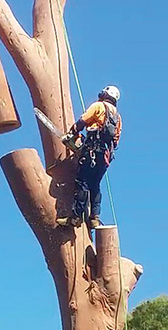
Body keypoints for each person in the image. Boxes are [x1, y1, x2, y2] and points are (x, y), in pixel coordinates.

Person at [57, 85, 122, 228]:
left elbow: (83, 120)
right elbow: (116, 140)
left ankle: (75, 217)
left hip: (92, 149)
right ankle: (94, 217)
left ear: (105, 94)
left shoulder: (98, 106)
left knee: (82, 182)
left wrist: (73, 132)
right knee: (95, 184)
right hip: (105, 156)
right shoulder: (117, 117)